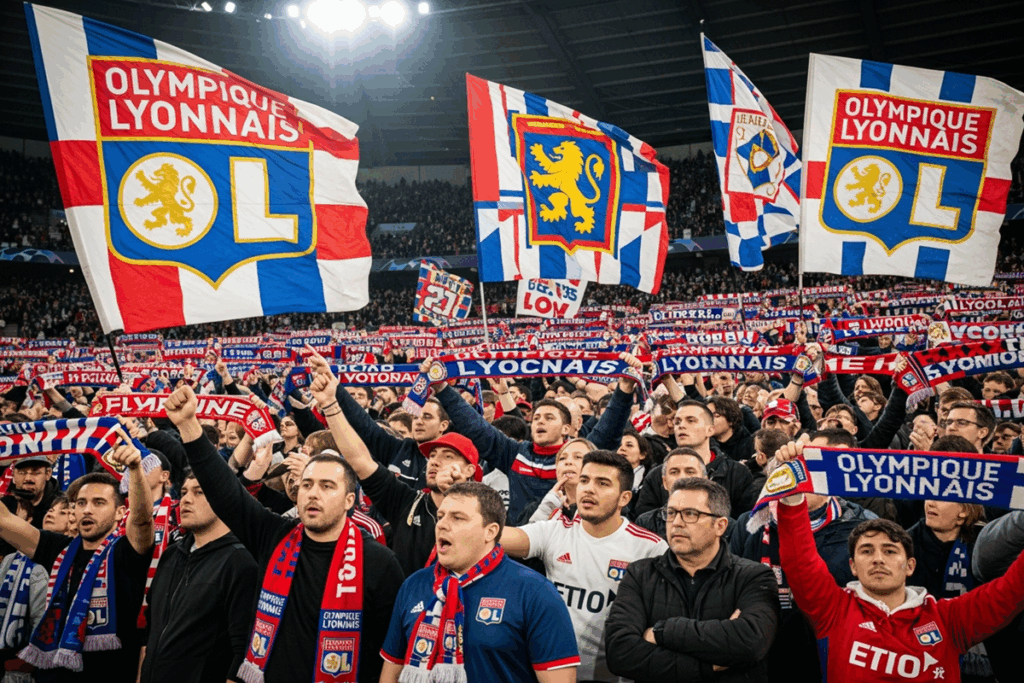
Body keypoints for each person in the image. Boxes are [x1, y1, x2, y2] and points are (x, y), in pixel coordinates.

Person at [163, 385, 404, 683]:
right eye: (307, 484)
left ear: (349, 500)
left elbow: (391, 655)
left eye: (327, 486)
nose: (313, 494)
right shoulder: (274, 535)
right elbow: (226, 492)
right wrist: (188, 425)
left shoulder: (380, 562)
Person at [774, 438, 1024, 683]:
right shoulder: (833, 610)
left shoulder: (949, 619)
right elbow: (800, 561)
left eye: (890, 551)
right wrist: (794, 496)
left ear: (910, 565)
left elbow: (1011, 590)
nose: (878, 559)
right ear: (852, 566)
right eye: (867, 551)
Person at [380, 482, 580, 683]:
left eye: (457, 518)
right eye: (440, 516)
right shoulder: (413, 585)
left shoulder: (535, 592)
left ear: (490, 532)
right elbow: (391, 674)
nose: (441, 524)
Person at [501, 451, 667, 681]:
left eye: (603, 483)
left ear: (624, 498)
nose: (589, 489)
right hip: (551, 674)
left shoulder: (650, 548)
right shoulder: (555, 531)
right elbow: (496, 538)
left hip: (614, 677)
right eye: (584, 480)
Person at [0, 439, 155, 683]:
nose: (87, 510)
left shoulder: (127, 551)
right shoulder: (59, 548)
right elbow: (4, 521)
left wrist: (135, 469)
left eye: (99, 503)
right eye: (81, 503)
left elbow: (143, 519)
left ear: (119, 512)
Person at [731, 429, 877, 681]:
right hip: (760, 654)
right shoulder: (751, 522)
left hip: (831, 655)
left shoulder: (863, 527)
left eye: (815, 465)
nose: (807, 476)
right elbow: (730, 583)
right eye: (800, 465)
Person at [428, 353, 643, 524]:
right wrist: (442, 389)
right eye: (537, 417)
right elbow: (475, 427)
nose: (540, 422)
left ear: (566, 428)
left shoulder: (581, 455)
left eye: (550, 418)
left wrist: (624, 389)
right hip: (522, 547)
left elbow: (610, 426)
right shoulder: (515, 454)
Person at [604, 478, 780, 682]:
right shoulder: (640, 574)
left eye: (690, 514)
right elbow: (620, 653)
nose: (676, 523)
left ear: (720, 526)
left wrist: (663, 632)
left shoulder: (754, 576)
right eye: (671, 513)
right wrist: (708, 666)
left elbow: (751, 643)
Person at [311, 364, 480, 575]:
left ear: (470, 470)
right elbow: (360, 459)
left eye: (448, 456)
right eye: (432, 455)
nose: (435, 462)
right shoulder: (406, 502)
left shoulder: (485, 512)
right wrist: (330, 404)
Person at [139, 468, 259, 683]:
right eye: (183, 492)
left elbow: (245, 650)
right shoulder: (171, 555)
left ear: (225, 499)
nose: (186, 499)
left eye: (199, 492)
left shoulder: (241, 562)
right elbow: (151, 629)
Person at [634, 400, 757, 519]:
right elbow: (645, 523)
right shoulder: (656, 476)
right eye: (677, 422)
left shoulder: (737, 473)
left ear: (710, 430)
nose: (681, 426)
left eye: (691, 420)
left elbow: (743, 524)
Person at [633, 448, 708, 540]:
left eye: (690, 472)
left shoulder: (721, 522)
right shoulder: (645, 523)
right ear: (664, 482)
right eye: (674, 472)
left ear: (705, 480)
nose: (682, 477)